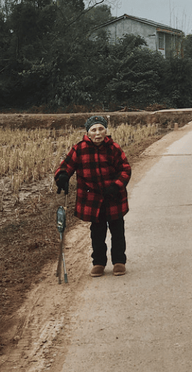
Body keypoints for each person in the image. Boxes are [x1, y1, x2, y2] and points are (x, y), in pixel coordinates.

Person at [54, 115, 131, 277]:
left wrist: (116, 186)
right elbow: (66, 166)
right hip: (93, 200)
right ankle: (98, 262)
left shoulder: (114, 148)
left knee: (117, 231)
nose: (98, 133)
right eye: (93, 130)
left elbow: (125, 170)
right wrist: (62, 176)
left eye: (101, 129)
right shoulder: (79, 149)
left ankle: (119, 261)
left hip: (113, 198)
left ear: (106, 131)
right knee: (97, 233)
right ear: (87, 133)